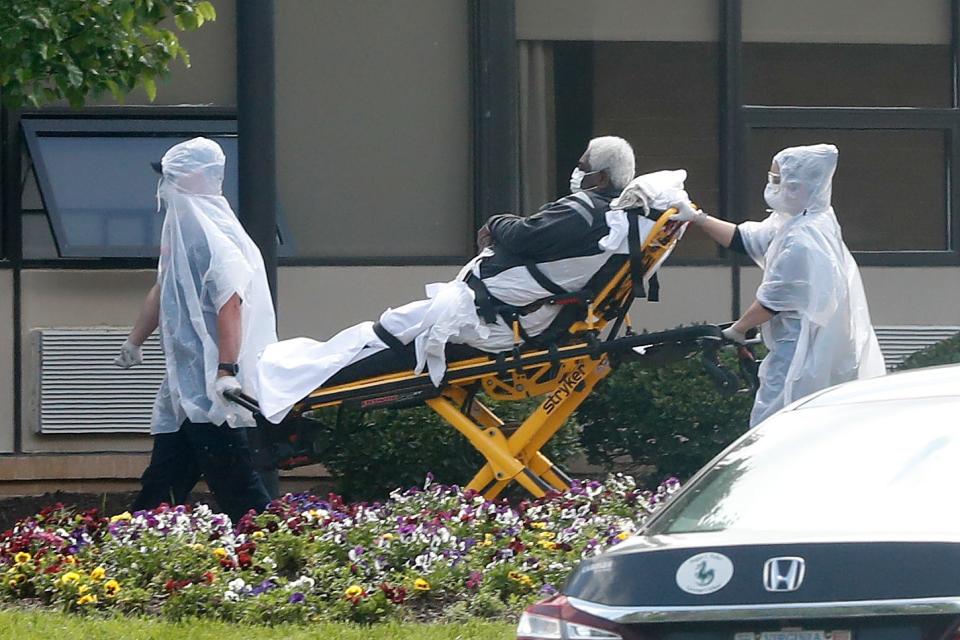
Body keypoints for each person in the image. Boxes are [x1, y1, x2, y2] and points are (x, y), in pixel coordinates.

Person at [257, 137, 690, 423]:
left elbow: (525, 234)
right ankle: (299, 376)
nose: (576, 172)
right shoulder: (613, 221)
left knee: (385, 336)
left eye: (582, 166)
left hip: (491, 320)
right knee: (386, 334)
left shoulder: (584, 210)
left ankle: (296, 386)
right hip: (515, 318)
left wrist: (496, 222)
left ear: (598, 176)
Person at [114, 137, 277, 522]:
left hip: (210, 391)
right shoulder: (182, 231)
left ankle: (281, 554)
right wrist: (135, 340)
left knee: (238, 487)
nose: (165, 185)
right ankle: (137, 542)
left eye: (173, 175)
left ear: (199, 177)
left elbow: (230, 302)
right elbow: (164, 286)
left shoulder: (215, 236)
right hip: (183, 389)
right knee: (163, 482)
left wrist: (226, 371)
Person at [671, 143, 885, 426]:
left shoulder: (804, 239)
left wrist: (738, 330)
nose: (772, 186)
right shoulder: (798, 219)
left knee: (776, 420)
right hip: (797, 341)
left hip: (799, 350)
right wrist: (698, 218)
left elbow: (774, 299)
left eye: (777, 181)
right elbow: (745, 239)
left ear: (798, 187)